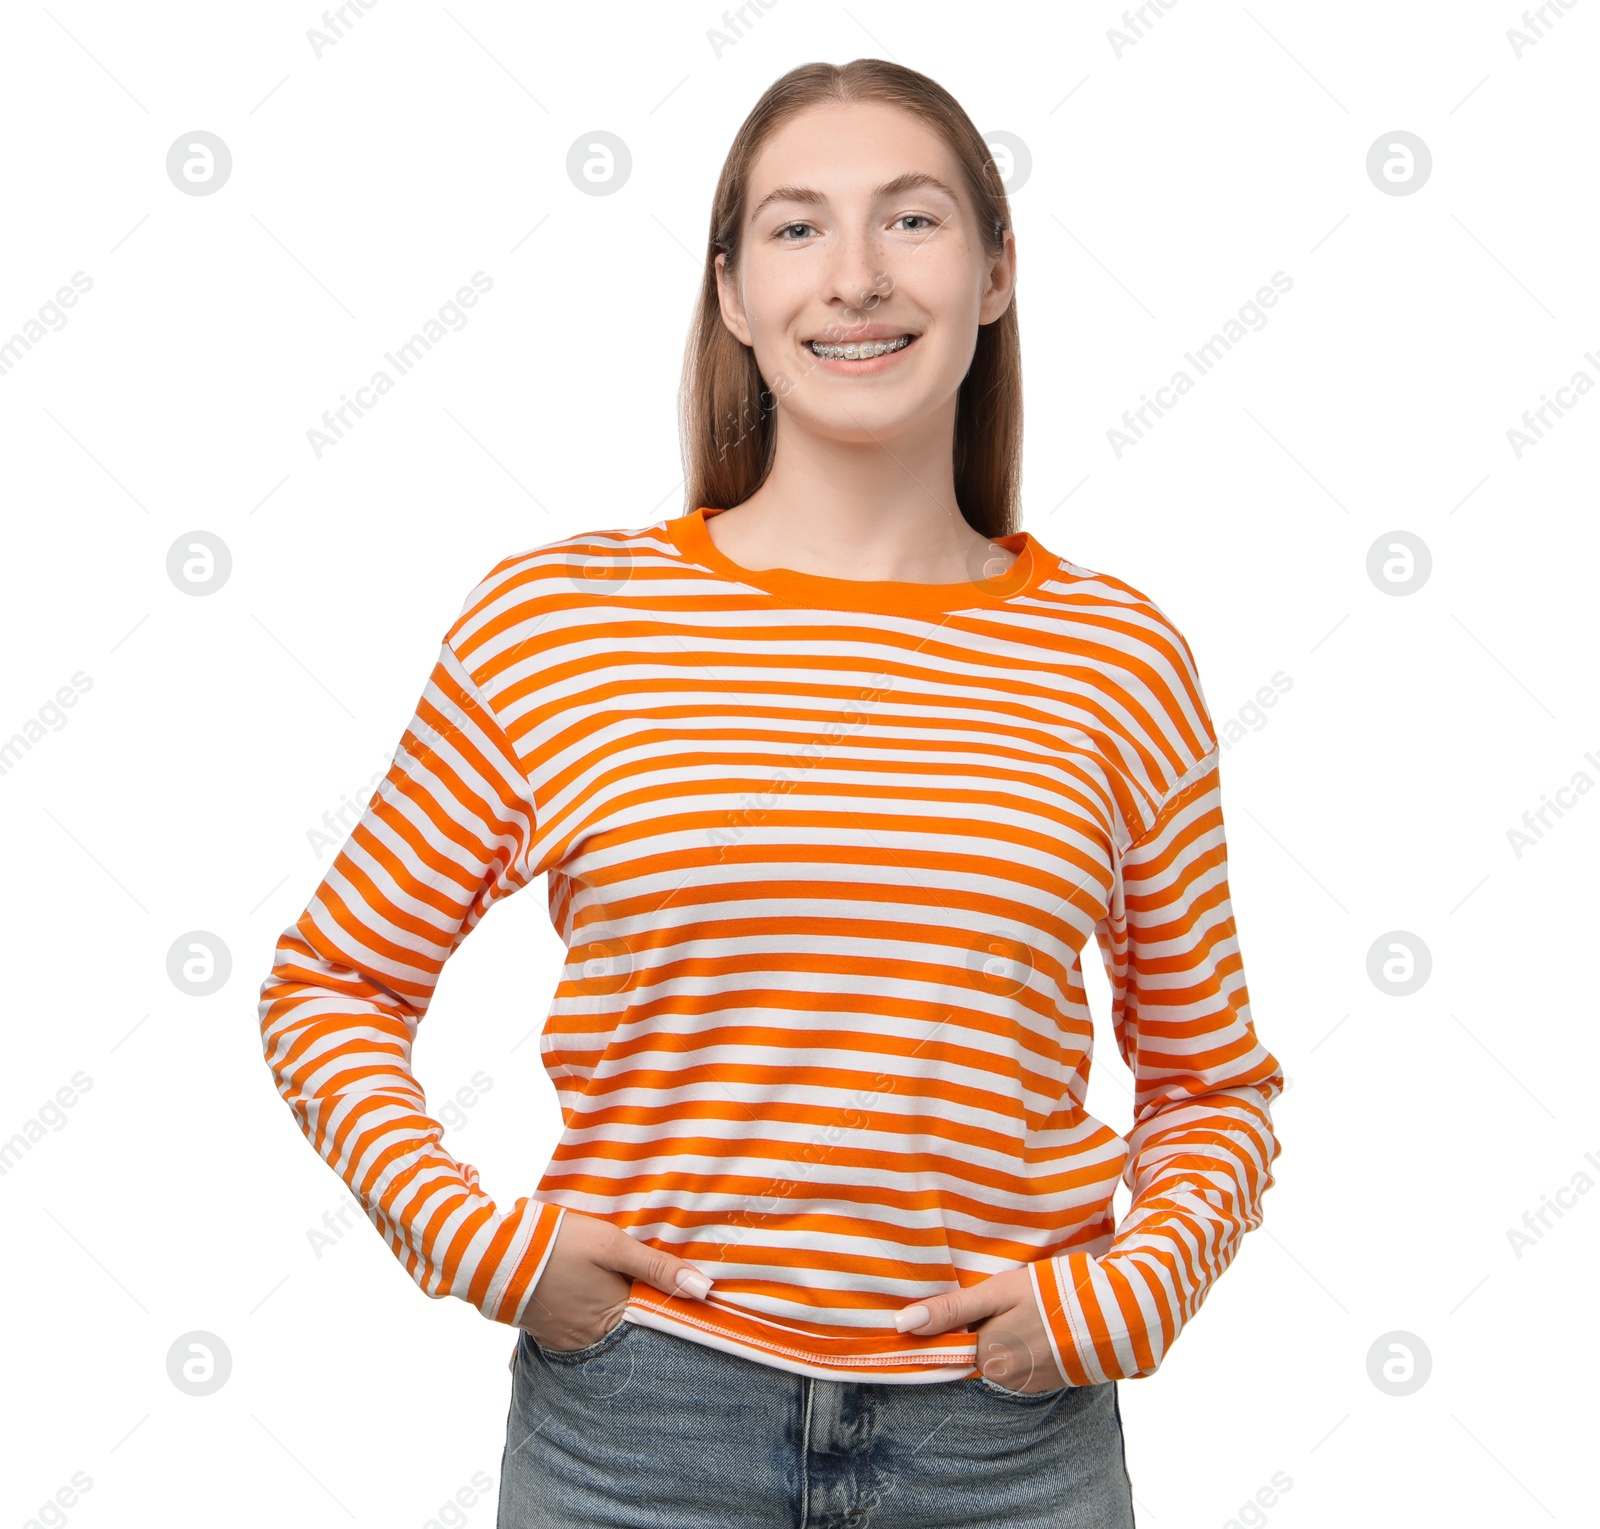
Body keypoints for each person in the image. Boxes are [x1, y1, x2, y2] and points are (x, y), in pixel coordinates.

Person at [258, 57, 1283, 1529]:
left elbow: (1211, 1084)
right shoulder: (559, 627)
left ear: (996, 273)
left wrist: (1134, 1290)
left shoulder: (1115, 659)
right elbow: (329, 981)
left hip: (1010, 1447)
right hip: (640, 1431)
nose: (856, 278)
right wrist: (479, 1247)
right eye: (798, 230)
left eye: (913, 222)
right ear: (733, 293)